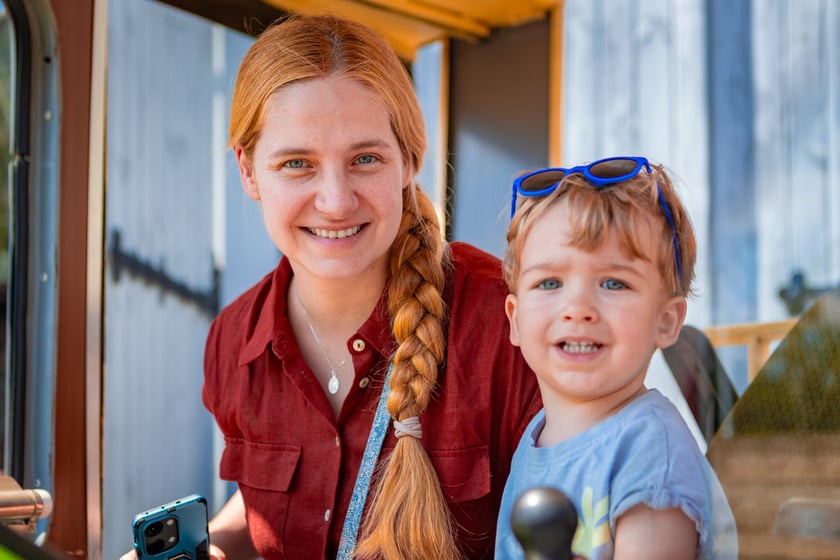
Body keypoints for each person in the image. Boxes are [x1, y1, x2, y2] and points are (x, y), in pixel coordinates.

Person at [117, 13, 542, 560]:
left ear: (409, 160)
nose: (336, 201)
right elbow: (262, 506)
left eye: (365, 159)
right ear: (248, 171)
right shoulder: (232, 344)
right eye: (297, 164)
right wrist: (212, 548)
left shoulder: (505, 321)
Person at [495, 157, 738, 559]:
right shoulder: (536, 438)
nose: (578, 307)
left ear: (665, 321)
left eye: (613, 283)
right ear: (515, 320)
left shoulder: (652, 453)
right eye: (549, 282)